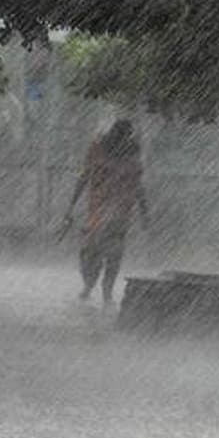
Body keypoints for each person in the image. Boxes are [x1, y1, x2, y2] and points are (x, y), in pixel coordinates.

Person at [62, 120, 148, 307]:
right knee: (91, 253)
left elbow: (138, 185)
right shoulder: (97, 149)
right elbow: (84, 176)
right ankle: (90, 284)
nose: (123, 141)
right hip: (97, 211)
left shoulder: (133, 155)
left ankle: (106, 291)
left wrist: (143, 211)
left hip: (120, 213)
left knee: (113, 254)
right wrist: (71, 205)